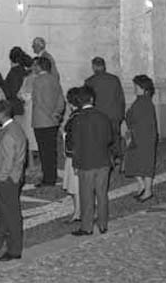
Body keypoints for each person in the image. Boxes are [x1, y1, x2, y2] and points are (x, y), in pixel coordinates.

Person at [66, 85, 115, 236]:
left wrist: (75, 163)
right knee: (102, 194)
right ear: (92, 99)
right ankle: (103, 224)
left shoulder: (78, 119)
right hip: (103, 160)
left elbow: (75, 144)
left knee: (86, 196)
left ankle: (87, 227)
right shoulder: (103, 116)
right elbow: (109, 138)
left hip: (85, 162)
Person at [0, 98, 27, 261]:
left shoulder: (8, 134)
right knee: (4, 211)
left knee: (11, 216)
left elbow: (7, 163)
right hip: (15, 176)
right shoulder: (16, 128)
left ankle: (14, 250)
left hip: (8, 179)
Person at [30, 55, 66, 187]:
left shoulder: (37, 80)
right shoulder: (54, 79)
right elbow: (61, 99)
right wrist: (57, 113)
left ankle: (48, 179)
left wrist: (50, 114)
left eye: (36, 65)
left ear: (39, 67)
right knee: (52, 150)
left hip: (41, 120)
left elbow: (39, 101)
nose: (34, 67)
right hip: (53, 120)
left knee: (44, 152)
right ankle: (52, 176)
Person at [124, 75, 159, 201]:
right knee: (135, 162)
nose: (135, 88)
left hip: (144, 137)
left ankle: (147, 190)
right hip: (138, 136)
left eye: (136, 86)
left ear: (143, 88)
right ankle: (142, 186)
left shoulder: (144, 102)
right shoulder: (141, 100)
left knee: (145, 164)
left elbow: (133, 117)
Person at [85, 57, 126, 159]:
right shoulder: (114, 79)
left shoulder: (90, 81)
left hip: (98, 117)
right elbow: (121, 99)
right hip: (114, 115)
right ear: (104, 66)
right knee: (115, 139)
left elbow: (87, 101)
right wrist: (121, 114)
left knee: (100, 141)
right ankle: (117, 160)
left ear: (94, 67)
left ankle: (103, 160)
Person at [60, 87, 83, 223]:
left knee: (75, 185)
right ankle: (78, 210)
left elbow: (71, 137)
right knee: (75, 185)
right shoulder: (80, 115)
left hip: (74, 155)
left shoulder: (75, 117)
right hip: (76, 154)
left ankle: (78, 212)